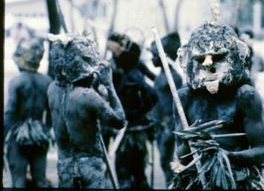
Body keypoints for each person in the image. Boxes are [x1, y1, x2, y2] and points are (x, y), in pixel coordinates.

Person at [170, 23, 264, 189]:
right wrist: (188, 141)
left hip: (235, 180)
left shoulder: (245, 95)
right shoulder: (184, 98)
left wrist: (226, 157)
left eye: (218, 57)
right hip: (196, 180)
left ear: (236, 56)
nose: (209, 65)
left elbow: (260, 151)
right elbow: (183, 157)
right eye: (200, 59)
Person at [47, 32, 126, 188]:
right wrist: (110, 86)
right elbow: (119, 120)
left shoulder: (52, 90)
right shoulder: (87, 96)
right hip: (90, 168)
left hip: (65, 167)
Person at [106, 32, 157, 189]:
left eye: (115, 50)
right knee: (139, 174)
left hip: (127, 131)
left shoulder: (124, 72)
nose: (113, 53)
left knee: (127, 175)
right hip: (137, 129)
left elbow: (153, 91)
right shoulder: (116, 68)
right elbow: (154, 95)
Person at [4, 37, 52, 188]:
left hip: (19, 137)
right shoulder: (47, 81)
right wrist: (46, 130)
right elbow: (51, 114)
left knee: (18, 181)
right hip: (40, 135)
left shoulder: (16, 82)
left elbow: (10, 113)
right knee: (40, 180)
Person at [150, 32, 183, 185]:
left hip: (167, 127)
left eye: (155, 55)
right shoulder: (160, 76)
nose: (152, 58)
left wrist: (169, 127)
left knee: (166, 161)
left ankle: (173, 186)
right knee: (164, 163)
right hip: (158, 126)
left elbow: (177, 105)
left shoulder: (174, 77)